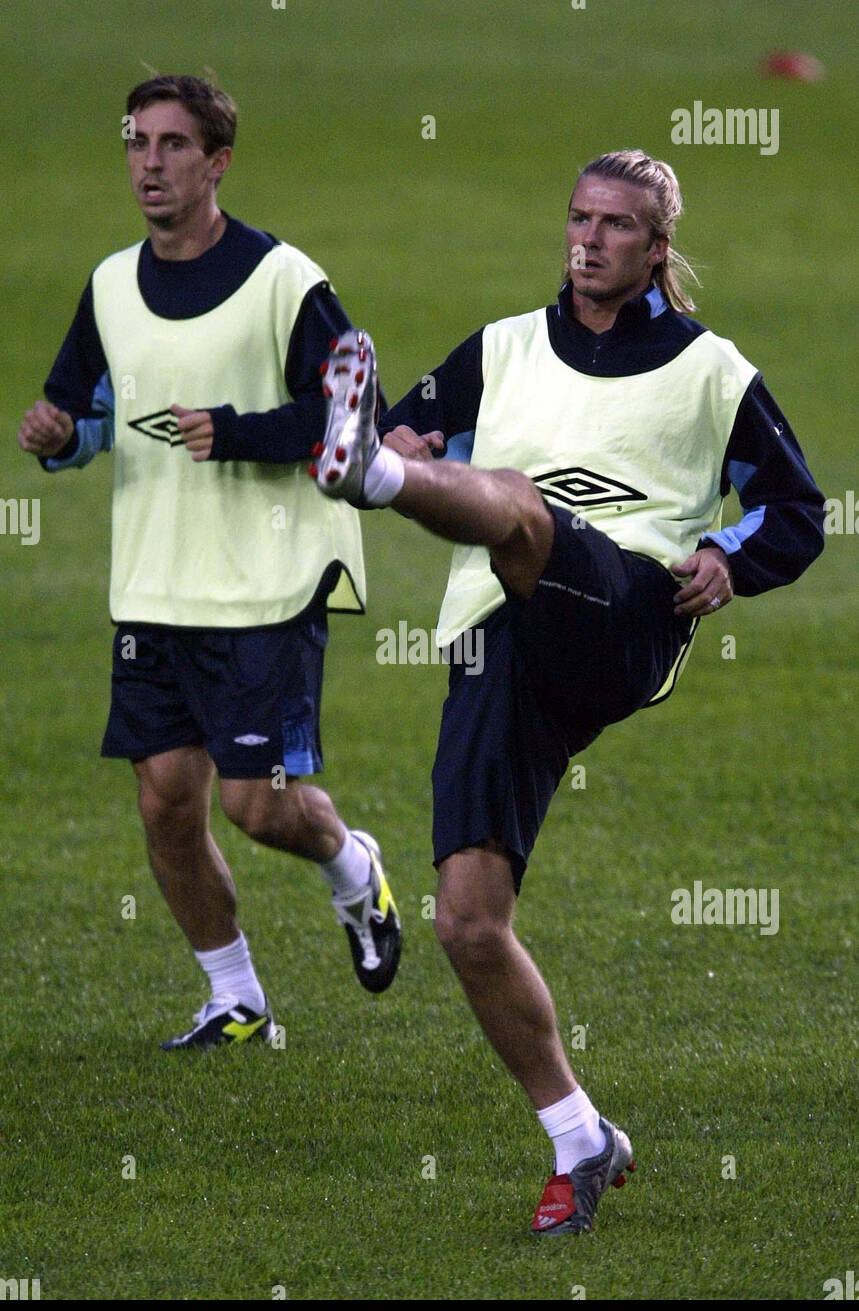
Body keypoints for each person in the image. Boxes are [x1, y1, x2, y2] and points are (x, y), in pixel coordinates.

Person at [310, 150, 825, 1233]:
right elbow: (409, 429)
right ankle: (580, 1137)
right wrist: (388, 448)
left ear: (656, 249)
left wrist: (729, 557)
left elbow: (797, 508)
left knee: (513, 502)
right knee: (465, 920)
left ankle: (377, 486)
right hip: (497, 637)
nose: (589, 239)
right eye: (579, 218)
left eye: (617, 226)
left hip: (629, 612)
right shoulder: (499, 349)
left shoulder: (709, 370)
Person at [17, 74, 401, 1051]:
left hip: (267, 582)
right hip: (155, 581)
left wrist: (232, 431)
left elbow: (351, 413)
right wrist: (58, 435)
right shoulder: (110, 284)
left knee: (257, 805)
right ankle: (236, 997)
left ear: (217, 161)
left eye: (173, 145)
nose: (150, 162)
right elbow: (91, 408)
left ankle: (354, 870)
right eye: (138, 142)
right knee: (163, 802)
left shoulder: (282, 279)